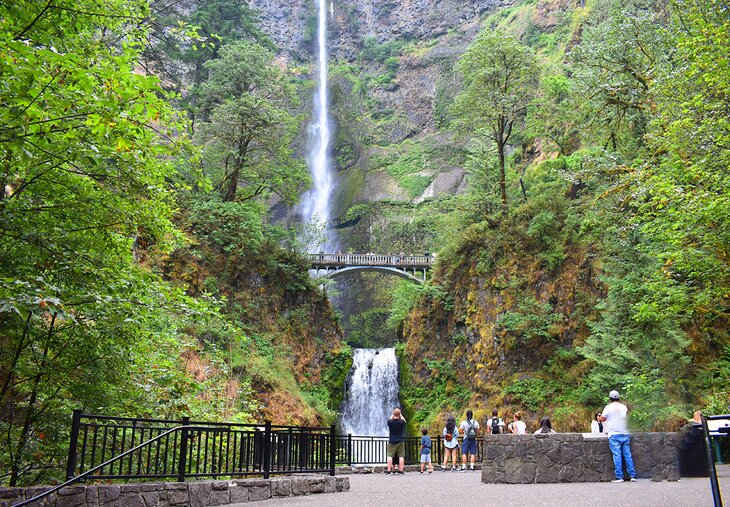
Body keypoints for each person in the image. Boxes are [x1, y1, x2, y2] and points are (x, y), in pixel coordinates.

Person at [597, 390, 637, 482]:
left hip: (614, 434)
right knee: (627, 455)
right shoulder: (624, 407)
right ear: (619, 398)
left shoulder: (608, 407)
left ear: (610, 398)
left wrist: (599, 418)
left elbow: (603, 419)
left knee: (617, 455)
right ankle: (632, 476)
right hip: (625, 433)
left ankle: (619, 477)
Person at [386, 408, 406, 475]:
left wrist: (393, 414)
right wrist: (400, 414)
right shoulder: (401, 422)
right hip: (400, 440)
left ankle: (388, 471)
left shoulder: (390, 422)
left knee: (390, 456)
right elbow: (404, 420)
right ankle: (401, 471)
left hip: (392, 441)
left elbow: (389, 419)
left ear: (393, 413)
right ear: (399, 414)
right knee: (401, 456)